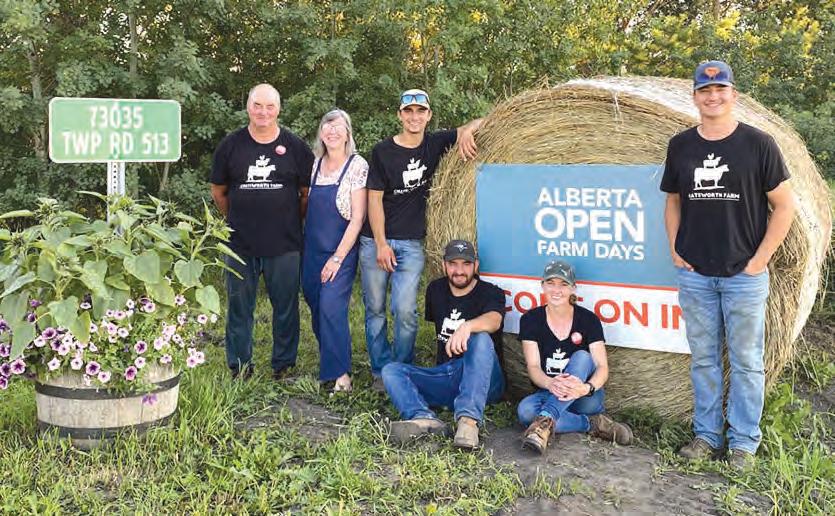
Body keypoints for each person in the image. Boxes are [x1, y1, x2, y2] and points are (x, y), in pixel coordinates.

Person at [661, 61, 794, 469]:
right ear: (695, 97)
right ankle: (706, 436)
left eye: (720, 89)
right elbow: (673, 201)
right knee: (703, 359)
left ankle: (743, 443)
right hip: (696, 275)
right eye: (705, 90)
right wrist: (675, 249)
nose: (713, 96)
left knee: (747, 362)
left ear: (734, 95)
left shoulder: (759, 144)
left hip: (744, 277)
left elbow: (785, 206)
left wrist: (760, 260)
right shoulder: (681, 146)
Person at [360, 89, 483, 390]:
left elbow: (484, 121)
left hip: (411, 243)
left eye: (420, 111)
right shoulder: (383, 151)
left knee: (405, 311)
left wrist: (467, 132)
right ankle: (379, 370)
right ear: (399, 115)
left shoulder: (435, 143)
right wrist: (381, 244)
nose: (414, 117)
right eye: (408, 111)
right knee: (375, 309)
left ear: (428, 115)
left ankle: (400, 369)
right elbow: (373, 200)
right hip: (375, 241)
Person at [210, 83, 314, 380]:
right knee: (239, 307)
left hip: (285, 243)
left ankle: (284, 364)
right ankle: (240, 366)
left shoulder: (296, 147)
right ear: (248, 107)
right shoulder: (231, 145)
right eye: (257, 105)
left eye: (269, 106)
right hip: (240, 244)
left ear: (278, 109)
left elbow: (306, 194)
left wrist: (289, 219)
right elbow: (219, 192)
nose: (263, 112)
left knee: (286, 307)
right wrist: (236, 218)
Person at [382, 239, 505, 449]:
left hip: (484, 379)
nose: (459, 271)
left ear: (476, 265)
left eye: (466, 264)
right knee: (391, 371)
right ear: (444, 265)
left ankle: (468, 422)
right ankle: (424, 418)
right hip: (448, 375)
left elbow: (494, 320)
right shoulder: (435, 290)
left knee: (480, 338)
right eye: (453, 264)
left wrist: (468, 326)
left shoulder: (491, 292)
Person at [518, 260, 633, 454]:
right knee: (525, 412)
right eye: (551, 283)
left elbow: (602, 367)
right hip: (550, 392)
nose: (556, 290)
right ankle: (591, 424)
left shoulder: (588, 320)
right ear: (543, 285)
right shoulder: (530, 320)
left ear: (573, 288)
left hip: (584, 397)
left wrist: (585, 388)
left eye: (563, 284)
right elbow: (534, 367)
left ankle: (544, 421)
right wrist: (550, 384)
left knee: (582, 357)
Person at [301, 109, 368, 393]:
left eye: (338, 126)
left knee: (331, 305)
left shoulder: (357, 165)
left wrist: (337, 258)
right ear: (321, 133)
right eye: (327, 126)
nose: (332, 131)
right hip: (312, 249)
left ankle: (341, 375)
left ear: (347, 133)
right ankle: (329, 363)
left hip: (341, 250)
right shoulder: (314, 164)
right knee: (316, 303)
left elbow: (358, 218)